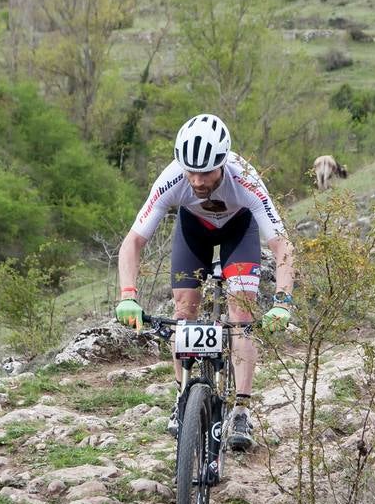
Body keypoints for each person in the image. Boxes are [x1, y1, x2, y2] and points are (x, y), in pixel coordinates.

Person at [114, 113, 295, 452]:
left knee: (242, 317)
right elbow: (133, 242)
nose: (196, 181)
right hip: (193, 231)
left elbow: (282, 245)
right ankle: (182, 397)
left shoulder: (246, 180)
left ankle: (241, 409)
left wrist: (283, 302)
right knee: (184, 312)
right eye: (191, 171)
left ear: (224, 163)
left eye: (207, 172)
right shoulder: (171, 179)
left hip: (238, 232)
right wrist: (128, 295)